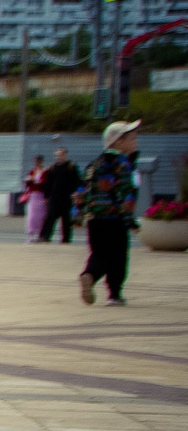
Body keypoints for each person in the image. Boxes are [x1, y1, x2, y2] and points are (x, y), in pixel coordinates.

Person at [77, 120, 142, 306]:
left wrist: (79, 215)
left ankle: (89, 275)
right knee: (118, 256)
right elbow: (126, 194)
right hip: (115, 218)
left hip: (95, 219)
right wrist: (131, 221)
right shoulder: (123, 165)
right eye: (131, 137)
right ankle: (114, 294)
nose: (135, 141)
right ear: (118, 142)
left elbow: (81, 191)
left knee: (99, 254)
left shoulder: (94, 164)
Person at [42, 147, 81, 244]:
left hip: (66, 197)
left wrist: (76, 193)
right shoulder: (53, 168)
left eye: (60, 155)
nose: (58, 157)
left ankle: (66, 239)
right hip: (54, 198)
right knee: (50, 217)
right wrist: (46, 196)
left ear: (65, 155)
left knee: (66, 220)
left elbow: (77, 181)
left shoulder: (71, 167)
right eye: (57, 155)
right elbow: (49, 183)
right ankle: (45, 236)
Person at [22, 155, 50, 242]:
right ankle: (31, 234)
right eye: (35, 161)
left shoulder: (45, 172)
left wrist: (46, 196)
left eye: (38, 161)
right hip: (33, 195)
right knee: (31, 216)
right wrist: (29, 181)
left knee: (41, 216)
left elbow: (46, 184)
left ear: (41, 162)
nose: (37, 163)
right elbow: (28, 185)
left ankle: (40, 234)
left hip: (41, 195)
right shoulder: (32, 171)